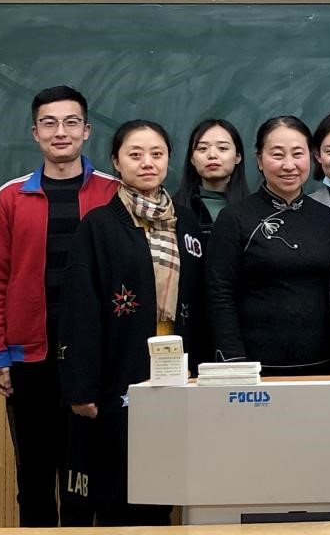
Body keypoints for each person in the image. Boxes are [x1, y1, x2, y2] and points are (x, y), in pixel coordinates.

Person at [0, 85, 117, 527]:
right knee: (34, 479)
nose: (61, 132)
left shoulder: (113, 193)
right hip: (30, 359)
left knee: (85, 478)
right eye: (49, 123)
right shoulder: (12, 196)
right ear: (35, 132)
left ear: (87, 130)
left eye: (71, 122)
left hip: (94, 360)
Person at [58, 120, 205, 526]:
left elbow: (201, 301)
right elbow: (79, 309)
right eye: (135, 155)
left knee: (164, 483)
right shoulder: (99, 225)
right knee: (116, 486)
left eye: (157, 154)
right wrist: (81, 386)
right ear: (116, 162)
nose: (147, 163)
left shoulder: (186, 223)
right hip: (118, 368)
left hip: (178, 373)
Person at [208, 116, 330, 374]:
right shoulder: (235, 218)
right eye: (277, 154)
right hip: (255, 367)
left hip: (323, 363)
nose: (289, 165)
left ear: (311, 158)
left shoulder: (326, 217)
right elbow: (219, 293)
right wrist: (233, 360)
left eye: (298, 154)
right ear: (259, 159)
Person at [173, 118, 249, 242]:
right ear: (192, 159)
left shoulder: (254, 209)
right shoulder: (172, 209)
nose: (212, 155)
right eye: (202, 148)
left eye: (222, 148)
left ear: (237, 157)